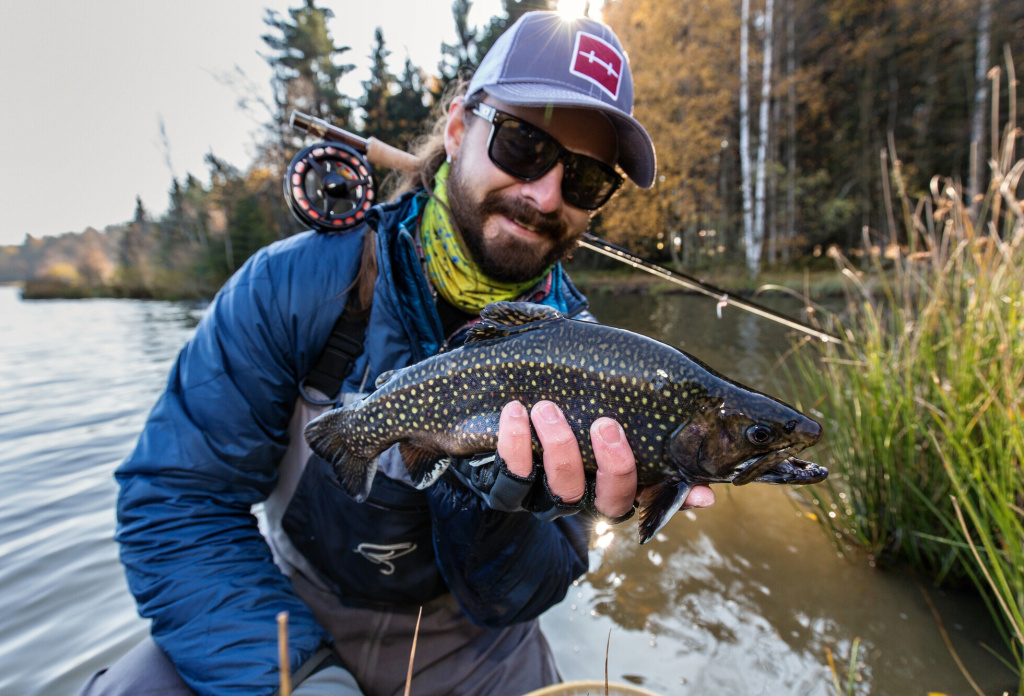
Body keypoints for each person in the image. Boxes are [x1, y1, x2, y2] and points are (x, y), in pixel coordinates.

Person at [80, 11, 714, 696]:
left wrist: (500, 508)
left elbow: (521, 598)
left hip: (478, 649)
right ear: (457, 129)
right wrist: (302, 680)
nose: (544, 193)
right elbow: (177, 501)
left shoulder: (606, 370)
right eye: (523, 144)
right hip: (284, 613)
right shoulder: (294, 288)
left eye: (586, 179)